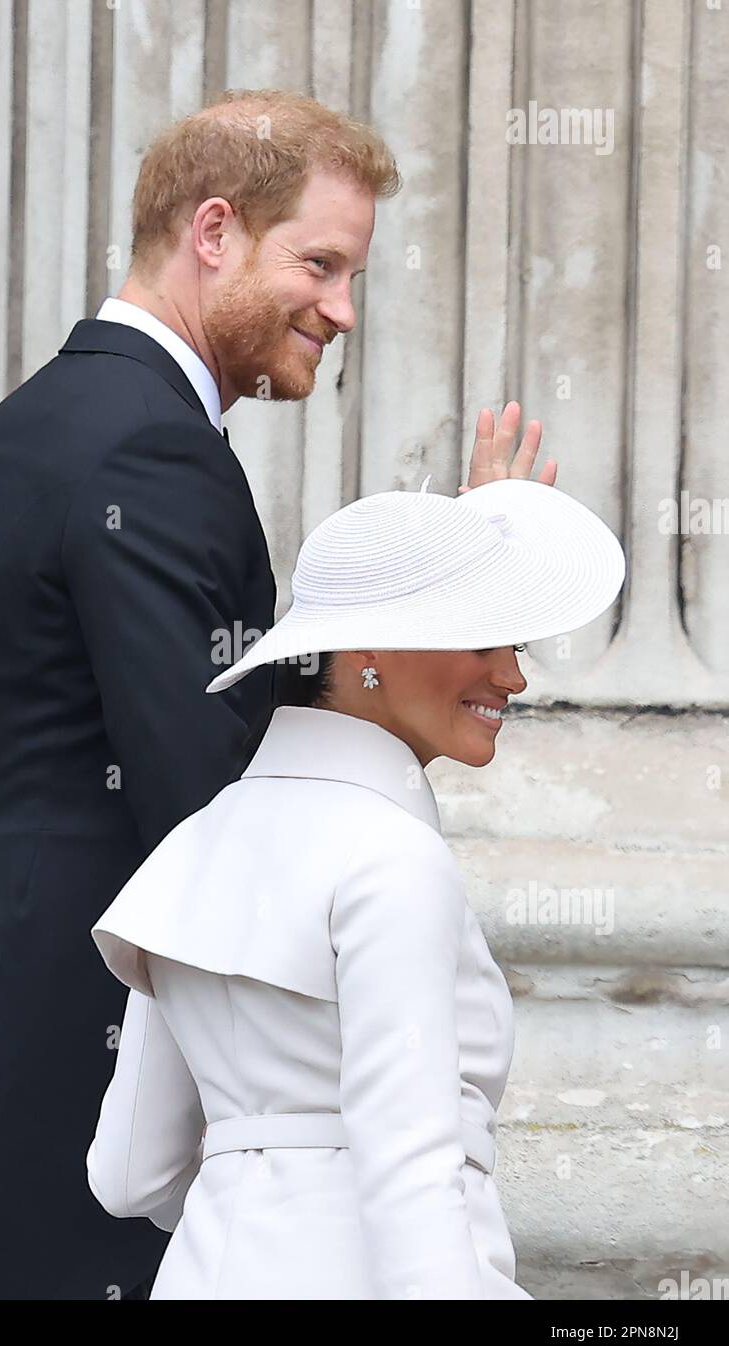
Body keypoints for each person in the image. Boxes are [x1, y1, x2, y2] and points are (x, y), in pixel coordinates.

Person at [0, 89, 399, 1300]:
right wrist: (441, 625)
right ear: (216, 231)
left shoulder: (35, 420)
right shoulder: (151, 446)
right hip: (60, 1095)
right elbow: (216, 787)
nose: (342, 310)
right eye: (322, 264)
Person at [85, 476, 625, 1299]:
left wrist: (263, 1171)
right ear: (369, 652)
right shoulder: (393, 857)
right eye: (484, 640)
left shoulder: (191, 848)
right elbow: (410, 1179)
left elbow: (127, 1174)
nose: (512, 677)